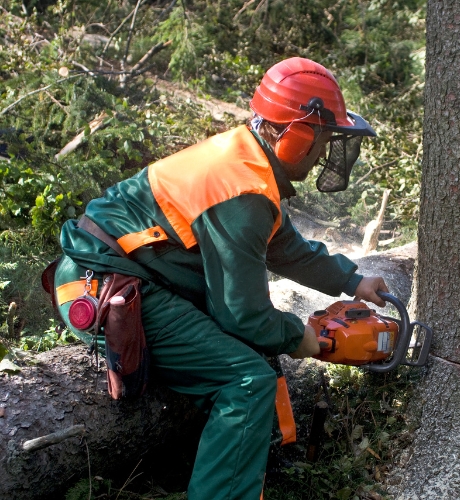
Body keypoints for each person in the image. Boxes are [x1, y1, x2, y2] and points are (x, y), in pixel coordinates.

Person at [52, 57, 389, 499]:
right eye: (324, 138)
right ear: (298, 133)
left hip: (125, 275)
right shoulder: (243, 191)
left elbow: (285, 248)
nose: (325, 151)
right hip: (109, 287)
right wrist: (299, 337)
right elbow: (243, 315)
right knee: (247, 382)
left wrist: (353, 280)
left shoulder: (245, 162)